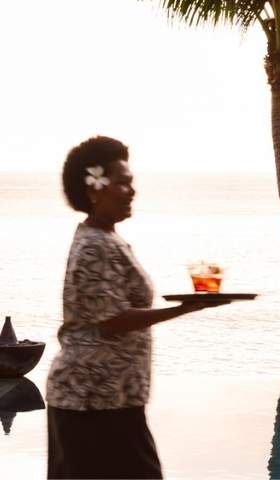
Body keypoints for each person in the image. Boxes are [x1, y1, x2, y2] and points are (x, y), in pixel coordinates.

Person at [46, 136, 229, 479]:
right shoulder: (94, 246)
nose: (132, 191)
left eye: (132, 183)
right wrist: (187, 308)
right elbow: (112, 321)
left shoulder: (107, 239)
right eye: (123, 183)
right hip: (90, 399)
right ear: (94, 188)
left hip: (112, 396)